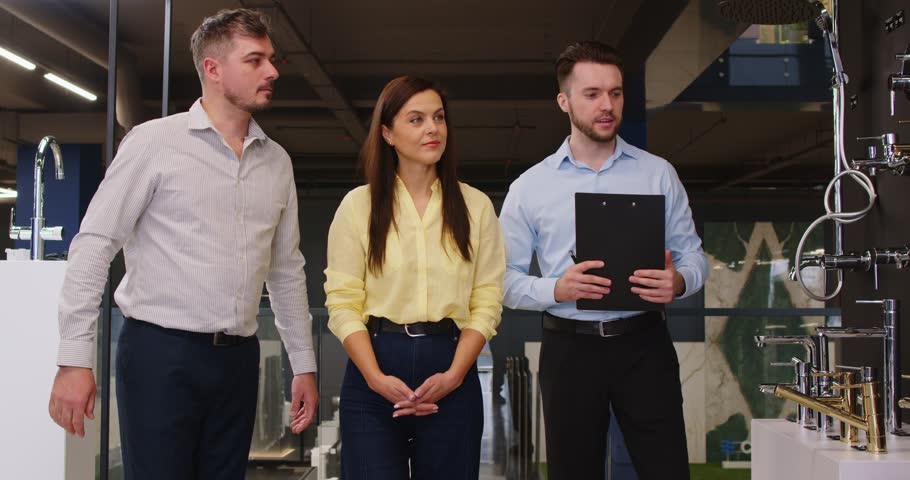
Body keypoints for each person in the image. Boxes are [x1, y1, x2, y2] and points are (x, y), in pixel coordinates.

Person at [48, 9, 318, 479]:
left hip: (237, 358)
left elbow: (286, 271)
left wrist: (304, 364)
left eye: (272, 60)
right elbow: (94, 245)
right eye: (255, 60)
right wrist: (74, 359)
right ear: (213, 70)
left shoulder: (277, 162)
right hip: (160, 354)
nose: (272, 71)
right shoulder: (155, 143)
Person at [499, 40, 708, 479]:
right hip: (569, 349)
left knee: (666, 469)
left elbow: (694, 258)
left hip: (645, 344)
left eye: (615, 92)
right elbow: (503, 282)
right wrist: (556, 288)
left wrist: (680, 282)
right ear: (564, 101)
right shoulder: (529, 188)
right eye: (592, 94)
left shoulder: (658, 173)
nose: (607, 104)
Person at [324, 75, 505, 479]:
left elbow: (487, 299)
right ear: (387, 133)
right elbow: (342, 301)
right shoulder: (358, 206)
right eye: (417, 119)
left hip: (451, 367)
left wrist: (456, 375)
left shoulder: (475, 207)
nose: (433, 129)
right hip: (375, 367)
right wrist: (374, 378)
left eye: (439, 118)